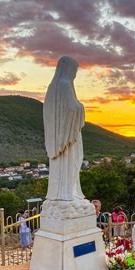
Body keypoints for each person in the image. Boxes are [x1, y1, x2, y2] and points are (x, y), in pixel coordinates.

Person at [43, 56, 85, 201]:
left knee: (66, 164)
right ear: (68, 68)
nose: (74, 74)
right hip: (69, 136)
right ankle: (68, 194)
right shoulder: (65, 85)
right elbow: (73, 108)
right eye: (74, 70)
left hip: (60, 135)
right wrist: (81, 106)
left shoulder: (53, 86)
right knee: (73, 162)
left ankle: (62, 193)